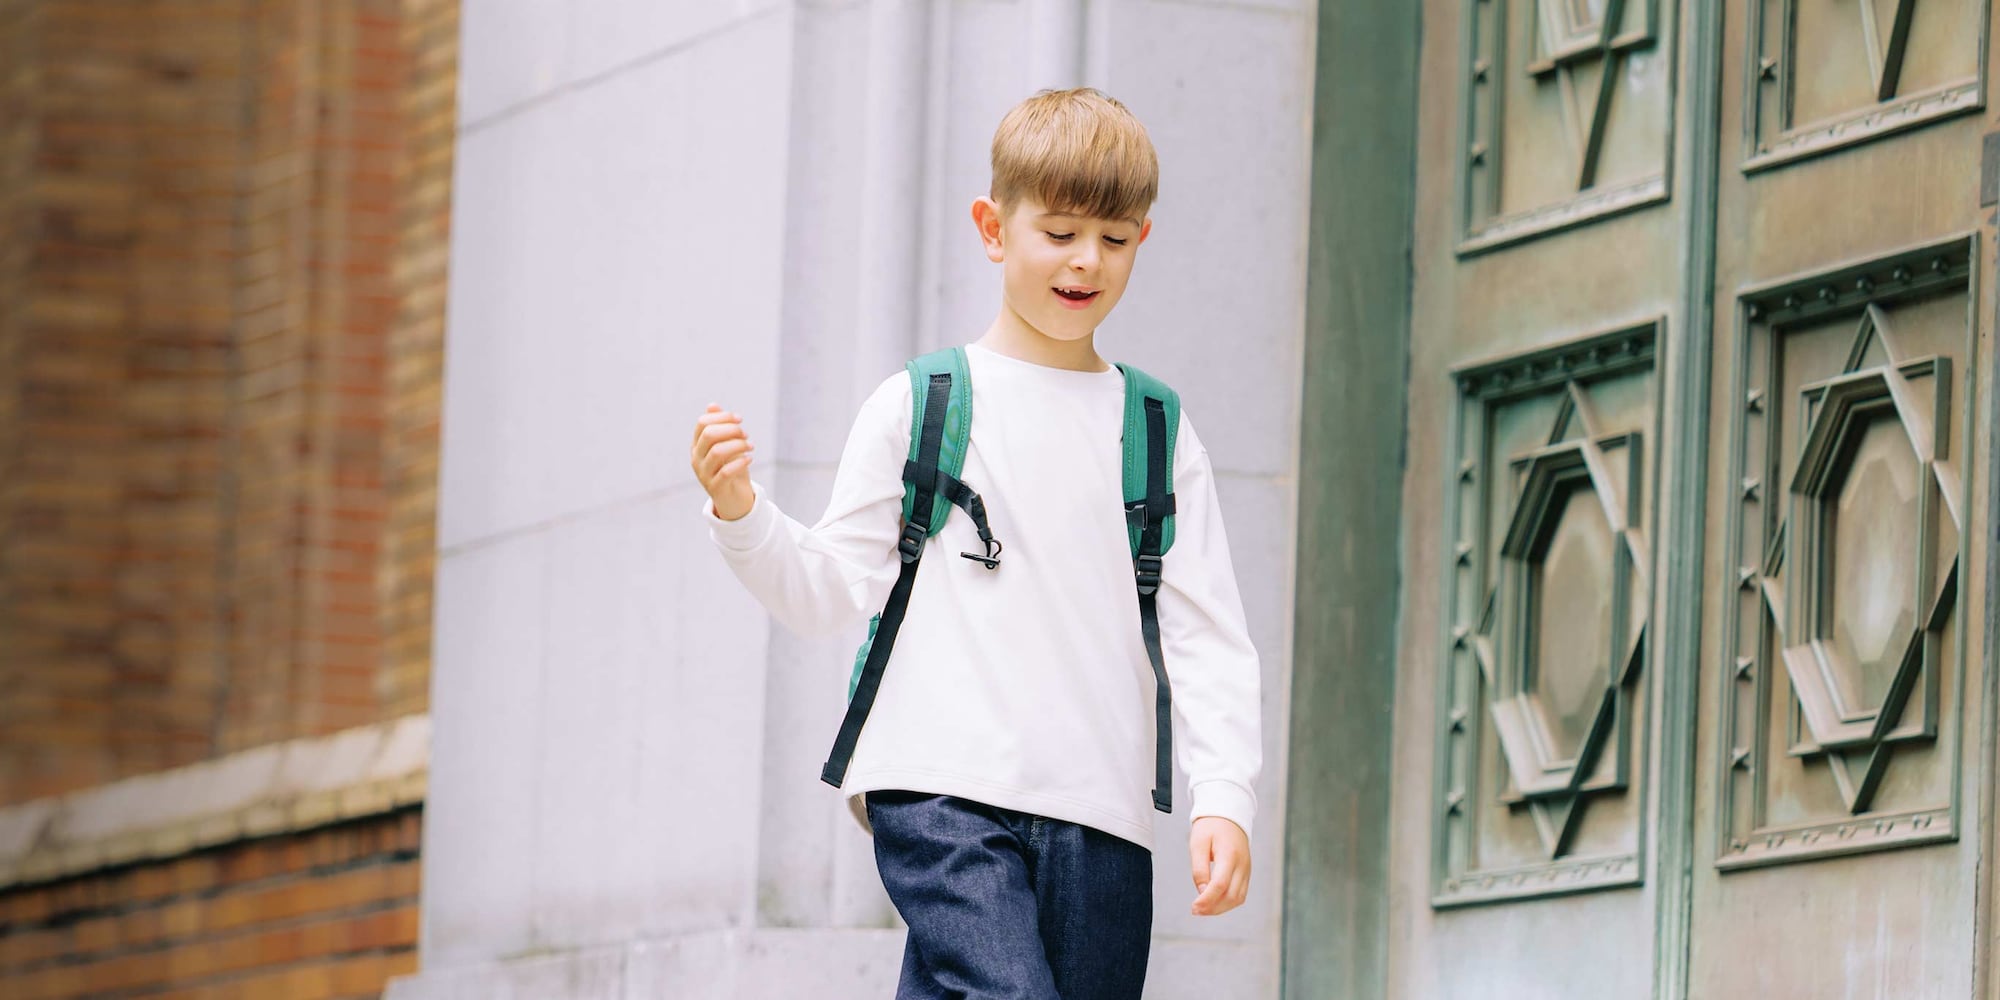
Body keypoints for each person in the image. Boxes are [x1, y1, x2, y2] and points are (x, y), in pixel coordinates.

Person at [688, 87, 1261, 1000]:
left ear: (1142, 242)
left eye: (1114, 240)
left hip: (1102, 818)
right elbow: (828, 591)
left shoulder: (1156, 428)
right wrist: (740, 511)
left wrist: (1224, 794)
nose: (1087, 262)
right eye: (1061, 233)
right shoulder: (923, 404)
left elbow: (1207, 636)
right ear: (994, 228)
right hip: (940, 788)